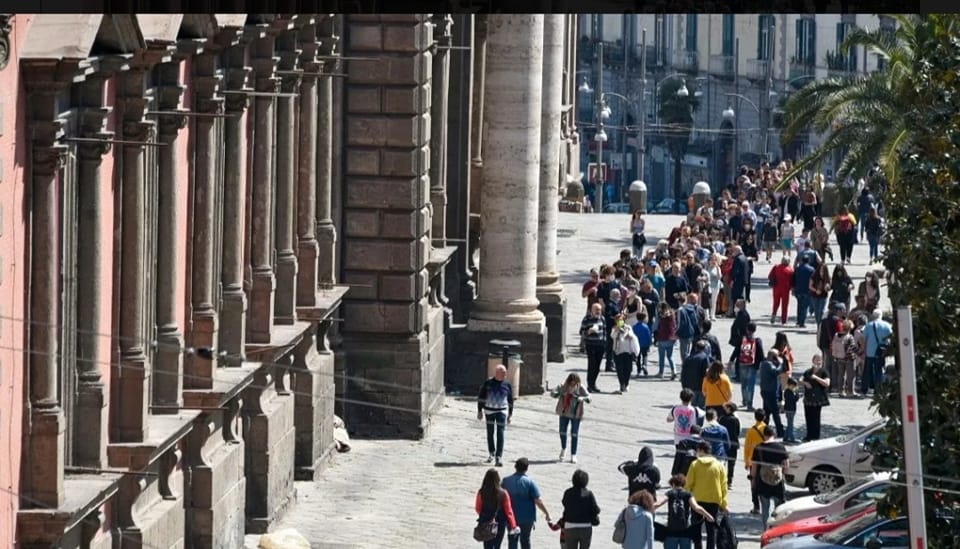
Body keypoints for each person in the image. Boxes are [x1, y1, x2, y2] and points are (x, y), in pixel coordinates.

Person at [684, 442, 728, 549]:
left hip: (697, 501)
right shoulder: (719, 465)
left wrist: (686, 498)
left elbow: (688, 484)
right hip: (714, 500)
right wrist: (724, 504)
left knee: (696, 528)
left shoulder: (695, 464)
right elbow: (723, 485)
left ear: (701, 450)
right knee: (711, 529)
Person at [502, 458, 553, 549]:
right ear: (526, 468)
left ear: (515, 467)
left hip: (511, 516)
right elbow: (538, 500)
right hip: (527, 517)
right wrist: (546, 513)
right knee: (525, 540)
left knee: (512, 540)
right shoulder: (529, 482)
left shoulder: (506, 481)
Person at [655, 474, 715, 549]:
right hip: (685, 530)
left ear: (673, 484)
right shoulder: (688, 494)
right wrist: (708, 516)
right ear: (683, 484)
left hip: (671, 530)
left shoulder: (669, 493)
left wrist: (646, 508)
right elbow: (696, 507)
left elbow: (658, 503)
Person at [751, 426, 789, 529]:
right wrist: (782, 475)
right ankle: (777, 530)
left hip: (763, 481)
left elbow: (754, 467)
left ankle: (766, 530)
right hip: (778, 482)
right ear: (774, 435)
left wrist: (753, 480)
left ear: (764, 435)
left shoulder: (758, 448)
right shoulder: (781, 447)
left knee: (765, 508)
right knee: (779, 509)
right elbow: (786, 466)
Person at [478, 365, 514, 467]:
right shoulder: (488, 383)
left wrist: (510, 414)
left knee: (500, 433)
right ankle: (491, 452)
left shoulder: (507, 384)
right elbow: (481, 396)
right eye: (503, 373)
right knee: (490, 432)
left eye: (505, 373)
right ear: (497, 373)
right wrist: (479, 410)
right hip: (489, 411)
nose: (505, 374)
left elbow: (510, 399)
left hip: (502, 411)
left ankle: (499, 456)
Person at [475, 468, 521, 549]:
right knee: (497, 545)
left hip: (486, 521)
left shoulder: (481, 492)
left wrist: (484, 515)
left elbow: (478, 508)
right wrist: (513, 525)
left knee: (487, 545)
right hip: (500, 522)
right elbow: (509, 511)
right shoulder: (503, 493)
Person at [552, 374, 591, 464]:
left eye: (574, 382)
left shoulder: (580, 388)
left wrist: (582, 398)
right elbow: (553, 393)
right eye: (571, 382)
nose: (572, 384)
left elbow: (589, 398)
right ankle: (563, 448)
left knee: (574, 434)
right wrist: (561, 394)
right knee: (562, 431)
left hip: (575, 414)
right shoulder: (563, 386)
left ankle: (573, 454)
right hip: (564, 413)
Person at [560, 469, 601, 549]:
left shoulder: (568, 492)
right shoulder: (588, 494)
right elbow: (596, 510)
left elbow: (564, 503)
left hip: (569, 526)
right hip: (585, 527)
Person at [862, 310, 893, 396]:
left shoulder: (868, 325)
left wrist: (864, 351)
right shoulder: (887, 325)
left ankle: (864, 389)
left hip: (870, 351)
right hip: (881, 351)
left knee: (867, 370)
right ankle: (878, 390)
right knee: (879, 370)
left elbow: (865, 339)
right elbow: (890, 338)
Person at [802, 354, 831, 441]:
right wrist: (805, 383)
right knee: (808, 417)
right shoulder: (808, 371)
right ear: (813, 361)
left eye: (820, 360)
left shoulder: (824, 372)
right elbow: (801, 379)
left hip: (818, 398)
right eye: (816, 360)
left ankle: (815, 436)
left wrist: (816, 378)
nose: (818, 362)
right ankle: (809, 435)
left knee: (816, 417)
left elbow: (827, 383)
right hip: (808, 397)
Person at [743, 408, 767, 514]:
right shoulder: (767, 429)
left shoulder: (751, 431)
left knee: (754, 484)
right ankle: (766, 505)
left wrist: (746, 462)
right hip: (766, 460)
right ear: (764, 417)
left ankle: (756, 506)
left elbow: (747, 447)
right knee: (765, 483)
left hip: (754, 461)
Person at [579, 303, 607, 393]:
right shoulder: (587, 319)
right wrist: (589, 331)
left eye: (599, 310)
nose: (598, 312)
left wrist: (605, 342)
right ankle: (590, 384)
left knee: (597, 366)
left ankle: (593, 383)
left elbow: (605, 331)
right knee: (592, 365)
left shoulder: (602, 318)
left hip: (600, 345)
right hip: (590, 344)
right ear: (592, 310)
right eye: (596, 310)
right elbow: (581, 332)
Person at [737, 322, 764, 411]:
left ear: (747, 329)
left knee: (744, 384)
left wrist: (731, 360)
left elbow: (737, 350)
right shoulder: (757, 340)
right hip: (753, 365)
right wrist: (761, 363)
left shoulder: (742, 339)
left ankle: (744, 400)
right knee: (750, 385)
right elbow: (761, 354)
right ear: (755, 330)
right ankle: (749, 404)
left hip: (742, 363)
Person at [612, 313, 641, 393]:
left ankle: (626, 383)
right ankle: (622, 384)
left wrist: (630, 336)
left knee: (628, 369)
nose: (620, 321)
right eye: (618, 320)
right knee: (620, 370)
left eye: (621, 320)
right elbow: (612, 336)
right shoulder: (614, 328)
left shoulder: (628, 328)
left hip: (628, 352)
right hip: (618, 352)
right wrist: (617, 330)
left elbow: (633, 337)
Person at [758, 349, 785, 438]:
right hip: (770, 392)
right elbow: (776, 372)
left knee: (767, 412)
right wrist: (781, 363)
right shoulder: (768, 364)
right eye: (776, 356)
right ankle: (780, 431)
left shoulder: (765, 363)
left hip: (766, 390)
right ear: (773, 356)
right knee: (775, 412)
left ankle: (763, 430)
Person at [831, 319, 859, 398]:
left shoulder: (837, 335)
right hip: (849, 359)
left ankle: (841, 391)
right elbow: (852, 348)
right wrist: (859, 351)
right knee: (851, 376)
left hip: (839, 357)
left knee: (841, 375)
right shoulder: (849, 337)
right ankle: (850, 391)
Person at [680, 341, 711, 409]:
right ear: (704, 348)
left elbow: (683, 373)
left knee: (693, 406)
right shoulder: (704, 358)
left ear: (695, 348)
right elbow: (706, 373)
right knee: (701, 407)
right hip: (701, 386)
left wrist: (684, 384)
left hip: (690, 386)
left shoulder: (689, 358)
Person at [717, 403, 741, 488]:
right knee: (731, 464)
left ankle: (720, 480)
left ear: (729, 409)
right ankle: (729, 482)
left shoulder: (722, 419)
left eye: (726, 407)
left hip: (723, 443)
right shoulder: (736, 420)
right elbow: (738, 431)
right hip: (733, 444)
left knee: (721, 463)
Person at [768, 256, 794, 325]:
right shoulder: (790, 270)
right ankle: (784, 320)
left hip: (776, 288)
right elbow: (792, 281)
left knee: (775, 303)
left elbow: (770, 276)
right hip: (785, 289)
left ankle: (773, 316)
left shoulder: (776, 267)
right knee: (785, 305)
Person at [656, 302, 679, 380]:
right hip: (671, 337)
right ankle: (674, 371)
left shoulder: (661, 316)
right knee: (670, 356)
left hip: (662, 337)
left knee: (661, 356)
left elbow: (656, 325)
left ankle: (661, 372)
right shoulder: (672, 314)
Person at [792, 255, 814, 328]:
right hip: (807, 290)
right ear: (808, 261)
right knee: (805, 307)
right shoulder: (811, 269)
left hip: (798, 290)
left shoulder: (797, 269)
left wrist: (793, 289)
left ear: (801, 261)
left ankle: (798, 321)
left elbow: (793, 279)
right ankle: (802, 322)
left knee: (799, 306)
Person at [633, 310, 652, 377]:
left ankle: (638, 370)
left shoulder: (634, 327)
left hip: (637, 344)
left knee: (638, 357)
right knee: (645, 355)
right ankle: (644, 365)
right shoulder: (646, 327)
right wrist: (649, 343)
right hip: (645, 344)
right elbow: (649, 336)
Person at [782, 378, 800, 444]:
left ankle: (785, 437)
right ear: (789, 385)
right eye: (793, 386)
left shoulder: (788, 391)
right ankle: (792, 438)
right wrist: (797, 395)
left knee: (789, 424)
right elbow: (794, 399)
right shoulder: (788, 392)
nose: (794, 388)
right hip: (790, 410)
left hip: (790, 410)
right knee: (790, 425)